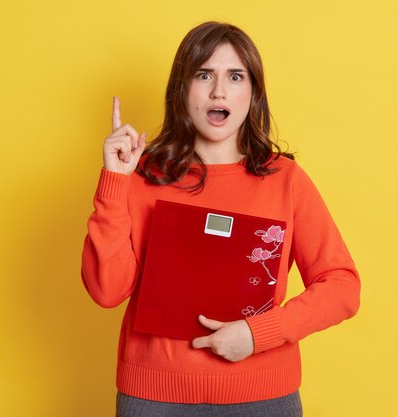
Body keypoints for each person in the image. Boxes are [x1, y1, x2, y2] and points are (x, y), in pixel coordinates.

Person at [81, 21, 361, 417]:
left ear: (252, 93)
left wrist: (258, 333)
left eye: (235, 76)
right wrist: (113, 181)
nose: (219, 90)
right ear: (182, 89)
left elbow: (342, 286)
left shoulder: (286, 180)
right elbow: (107, 291)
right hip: (153, 397)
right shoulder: (141, 175)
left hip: (263, 396)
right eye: (203, 75)